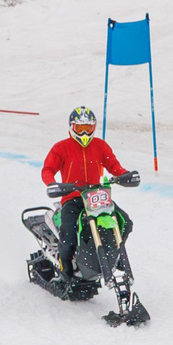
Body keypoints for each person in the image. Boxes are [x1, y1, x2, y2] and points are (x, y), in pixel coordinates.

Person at [40, 106, 139, 270]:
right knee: (69, 236)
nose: (84, 133)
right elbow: (48, 169)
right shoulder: (61, 148)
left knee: (125, 223)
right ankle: (65, 268)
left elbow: (115, 167)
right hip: (73, 198)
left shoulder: (100, 146)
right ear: (72, 127)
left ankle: (115, 254)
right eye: (80, 128)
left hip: (98, 197)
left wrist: (125, 176)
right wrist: (52, 184)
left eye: (88, 128)